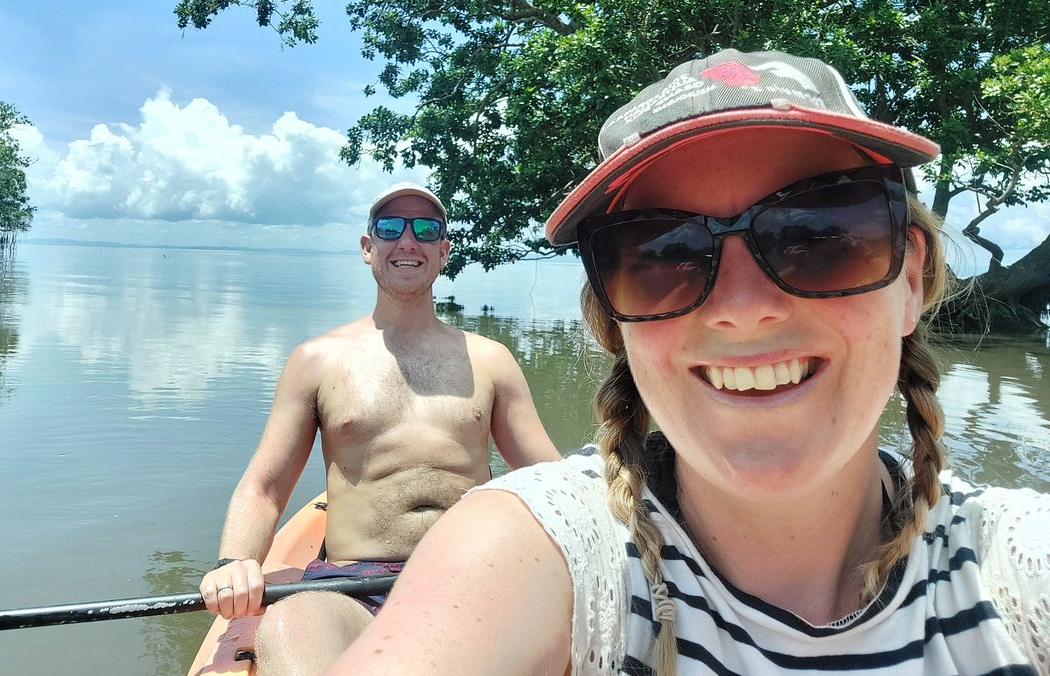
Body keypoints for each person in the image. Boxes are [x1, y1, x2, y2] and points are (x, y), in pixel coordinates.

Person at [328, 50, 1050, 675]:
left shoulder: (1020, 567)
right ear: (613, 321)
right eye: (663, 253)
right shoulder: (541, 552)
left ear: (911, 280)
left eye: (818, 233)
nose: (742, 307)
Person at [198, 181, 560, 674]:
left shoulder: (491, 360)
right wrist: (234, 562)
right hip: (351, 585)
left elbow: (549, 480)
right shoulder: (316, 361)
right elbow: (264, 486)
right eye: (391, 228)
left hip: (472, 573)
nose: (408, 241)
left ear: (444, 251)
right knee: (288, 624)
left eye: (426, 229)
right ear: (368, 248)